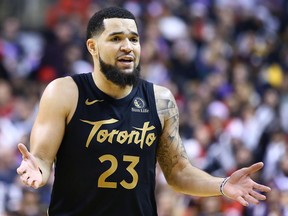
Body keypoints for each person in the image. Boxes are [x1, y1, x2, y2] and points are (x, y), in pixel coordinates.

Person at [16, 6, 271, 216]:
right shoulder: (64, 92)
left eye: (134, 39)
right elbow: (41, 157)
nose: (128, 46)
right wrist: (36, 170)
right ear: (92, 47)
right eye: (116, 38)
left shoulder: (160, 100)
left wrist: (223, 185)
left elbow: (178, 172)